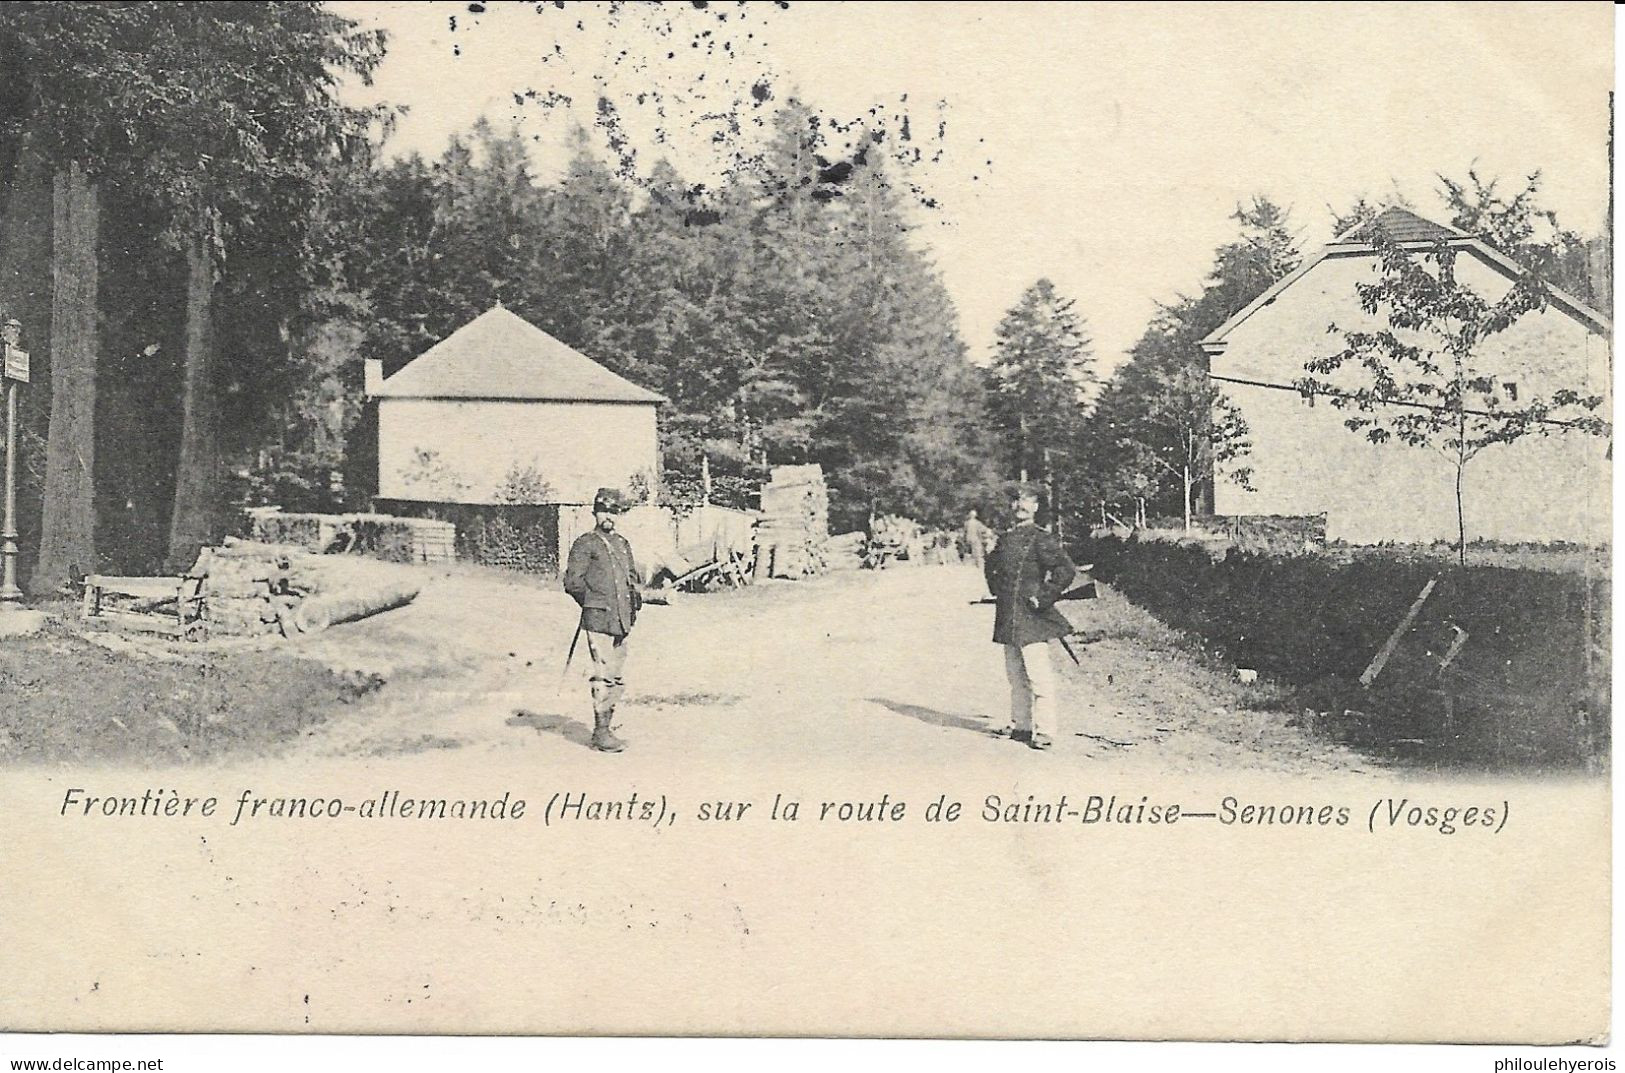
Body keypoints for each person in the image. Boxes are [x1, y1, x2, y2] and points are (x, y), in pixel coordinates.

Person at [982, 486, 1077, 750]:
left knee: (1039, 677)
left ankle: (1045, 731)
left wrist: (1044, 597)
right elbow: (993, 572)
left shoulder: (1041, 538)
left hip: (1032, 616)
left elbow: (1066, 570)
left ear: (1036, 507)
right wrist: (993, 574)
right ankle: (1022, 726)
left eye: (1027, 501)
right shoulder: (1005, 538)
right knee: (1015, 676)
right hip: (1008, 616)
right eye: (1016, 501)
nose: (1020, 506)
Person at [562, 487, 644, 753]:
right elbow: (573, 582)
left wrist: (634, 604)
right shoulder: (586, 543)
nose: (609, 516)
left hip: (622, 618)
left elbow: (632, 579)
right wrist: (593, 602)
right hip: (599, 618)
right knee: (603, 675)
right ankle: (600, 733)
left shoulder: (622, 544)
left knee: (616, 675)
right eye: (604, 511)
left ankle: (606, 726)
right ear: (595, 512)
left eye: (614, 512)